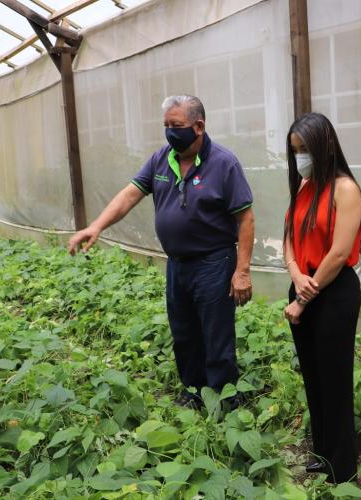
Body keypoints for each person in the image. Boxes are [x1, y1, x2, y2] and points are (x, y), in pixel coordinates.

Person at [68, 95, 255, 409]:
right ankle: (194, 391)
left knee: (216, 334)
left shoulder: (224, 163)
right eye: (166, 125)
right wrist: (97, 226)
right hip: (178, 264)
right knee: (183, 331)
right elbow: (130, 194)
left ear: (198, 126)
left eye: (176, 126)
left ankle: (225, 399)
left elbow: (245, 217)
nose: (170, 132)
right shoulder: (161, 159)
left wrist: (242, 270)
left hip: (214, 262)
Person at [281, 112, 361, 484]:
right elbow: (288, 236)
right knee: (314, 378)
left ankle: (342, 466)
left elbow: (338, 253)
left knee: (334, 378)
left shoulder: (345, 189)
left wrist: (303, 299)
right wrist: (296, 274)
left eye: (305, 150)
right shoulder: (305, 186)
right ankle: (323, 454)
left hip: (332, 293)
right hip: (304, 286)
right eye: (295, 150)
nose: (300, 158)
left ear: (324, 147)